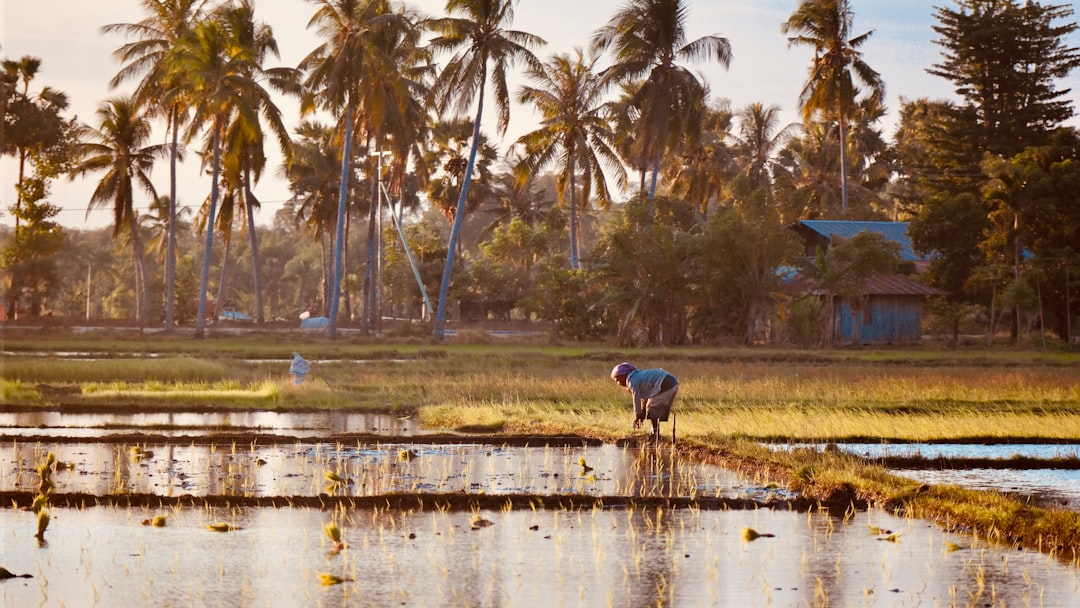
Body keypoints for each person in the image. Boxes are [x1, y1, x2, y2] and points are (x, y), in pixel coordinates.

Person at [610, 362, 678, 441]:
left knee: (652, 409)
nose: (618, 383)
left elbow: (636, 397)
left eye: (617, 380)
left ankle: (655, 434)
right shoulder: (637, 376)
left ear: (623, 375)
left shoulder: (631, 380)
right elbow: (644, 400)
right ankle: (655, 433)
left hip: (667, 384)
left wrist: (637, 415)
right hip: (670, 383)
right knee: (650, 406)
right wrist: (641, 415)